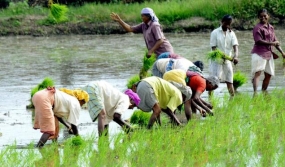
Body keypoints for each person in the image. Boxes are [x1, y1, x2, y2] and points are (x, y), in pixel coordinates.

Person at [251, 9, 285, 95]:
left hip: (269, 54)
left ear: (268, 16)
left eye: (264, 16)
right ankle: (255, 93)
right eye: (261, 16)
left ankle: (264, 92)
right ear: (258, 17)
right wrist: (272, 43)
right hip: (259, 53)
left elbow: (275, 41)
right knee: (258, 72)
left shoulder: (271, 27)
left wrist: (282, 52)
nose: (263, 17)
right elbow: (258, 41)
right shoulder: (257, 28)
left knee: (269, 74)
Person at [209, 14, 239, 97]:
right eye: (226, 23)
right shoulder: (215, 33)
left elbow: (235, 47)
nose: (228, 25)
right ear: (222, 22)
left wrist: (235, 56)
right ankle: (210, 98)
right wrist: (226, 57)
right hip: (216, 61)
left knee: (229, 80)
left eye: (229, 24)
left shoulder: (232, 33)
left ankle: (232, 98)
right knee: (213, 81)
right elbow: (214, 49)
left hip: (227, 61)